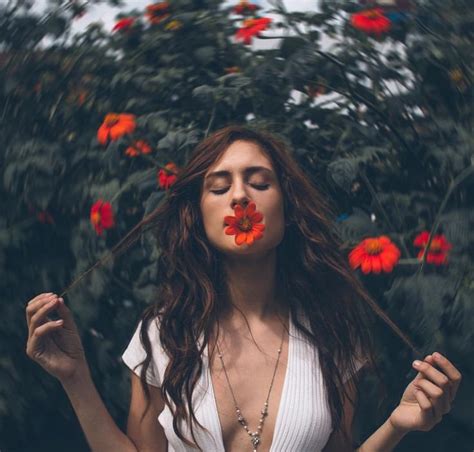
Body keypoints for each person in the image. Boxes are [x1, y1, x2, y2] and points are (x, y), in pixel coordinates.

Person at [25, 125, 462, 452]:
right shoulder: (163, 332)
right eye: (219, 186)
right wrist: (75, 378)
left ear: (287, 211)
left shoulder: (333, 332)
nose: (239, 197)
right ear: (198, 215)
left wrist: (396, 426)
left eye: (259, 182)